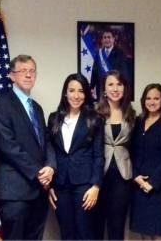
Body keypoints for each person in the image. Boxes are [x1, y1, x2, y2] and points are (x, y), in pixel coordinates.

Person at [0, 55, 55, 240]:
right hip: (15, 192)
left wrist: (50, 166)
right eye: (23, 71)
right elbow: (7, 146)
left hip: (39, 192)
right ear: (12, 76)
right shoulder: (1, 105)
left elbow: (46, 142)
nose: (28, 75)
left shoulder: (37, 108)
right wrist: (38, 173)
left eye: (32, 71)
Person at [47, 73, 104, 240]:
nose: (76, 95)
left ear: (86, 94)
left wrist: (96, 186)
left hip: (84, 185)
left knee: (84, 233)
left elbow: (98, 155)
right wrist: (49, 186)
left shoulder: (94, 119)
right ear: (65, 93)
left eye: (81, 91)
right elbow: (49, 151)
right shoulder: (54, 118)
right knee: (66, 233)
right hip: (60, 184)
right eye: (72, 90)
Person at [130, 83, 161, 240]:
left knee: (159, 231)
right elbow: (131, 151)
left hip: (160, 186)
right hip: (139, 184)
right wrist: (136, 176)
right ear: (143, 100)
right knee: (143, 231)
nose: (152, 102)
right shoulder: (138, 122)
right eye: (148, 98)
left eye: (156, 98)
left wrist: (152, 183)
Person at [94, 70, 136, 240]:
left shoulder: (131, 114)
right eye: (110, 84)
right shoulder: (94, 112)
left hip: (122, 176)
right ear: (104, 89)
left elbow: (135, 146)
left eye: (119, 84)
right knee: (96, 224)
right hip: (98, 176)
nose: (115, 88)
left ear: (125, 88)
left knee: (117, 226)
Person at [90, 29, 133, 99]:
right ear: (102, 40)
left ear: (113, 39)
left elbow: (125, 74)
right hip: (101, 90)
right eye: (104, 37)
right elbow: (94, 71)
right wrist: (91, 86)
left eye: (109, 37)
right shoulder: (99, 53)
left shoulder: (120, 54)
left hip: (114, 90)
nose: (106, 40)